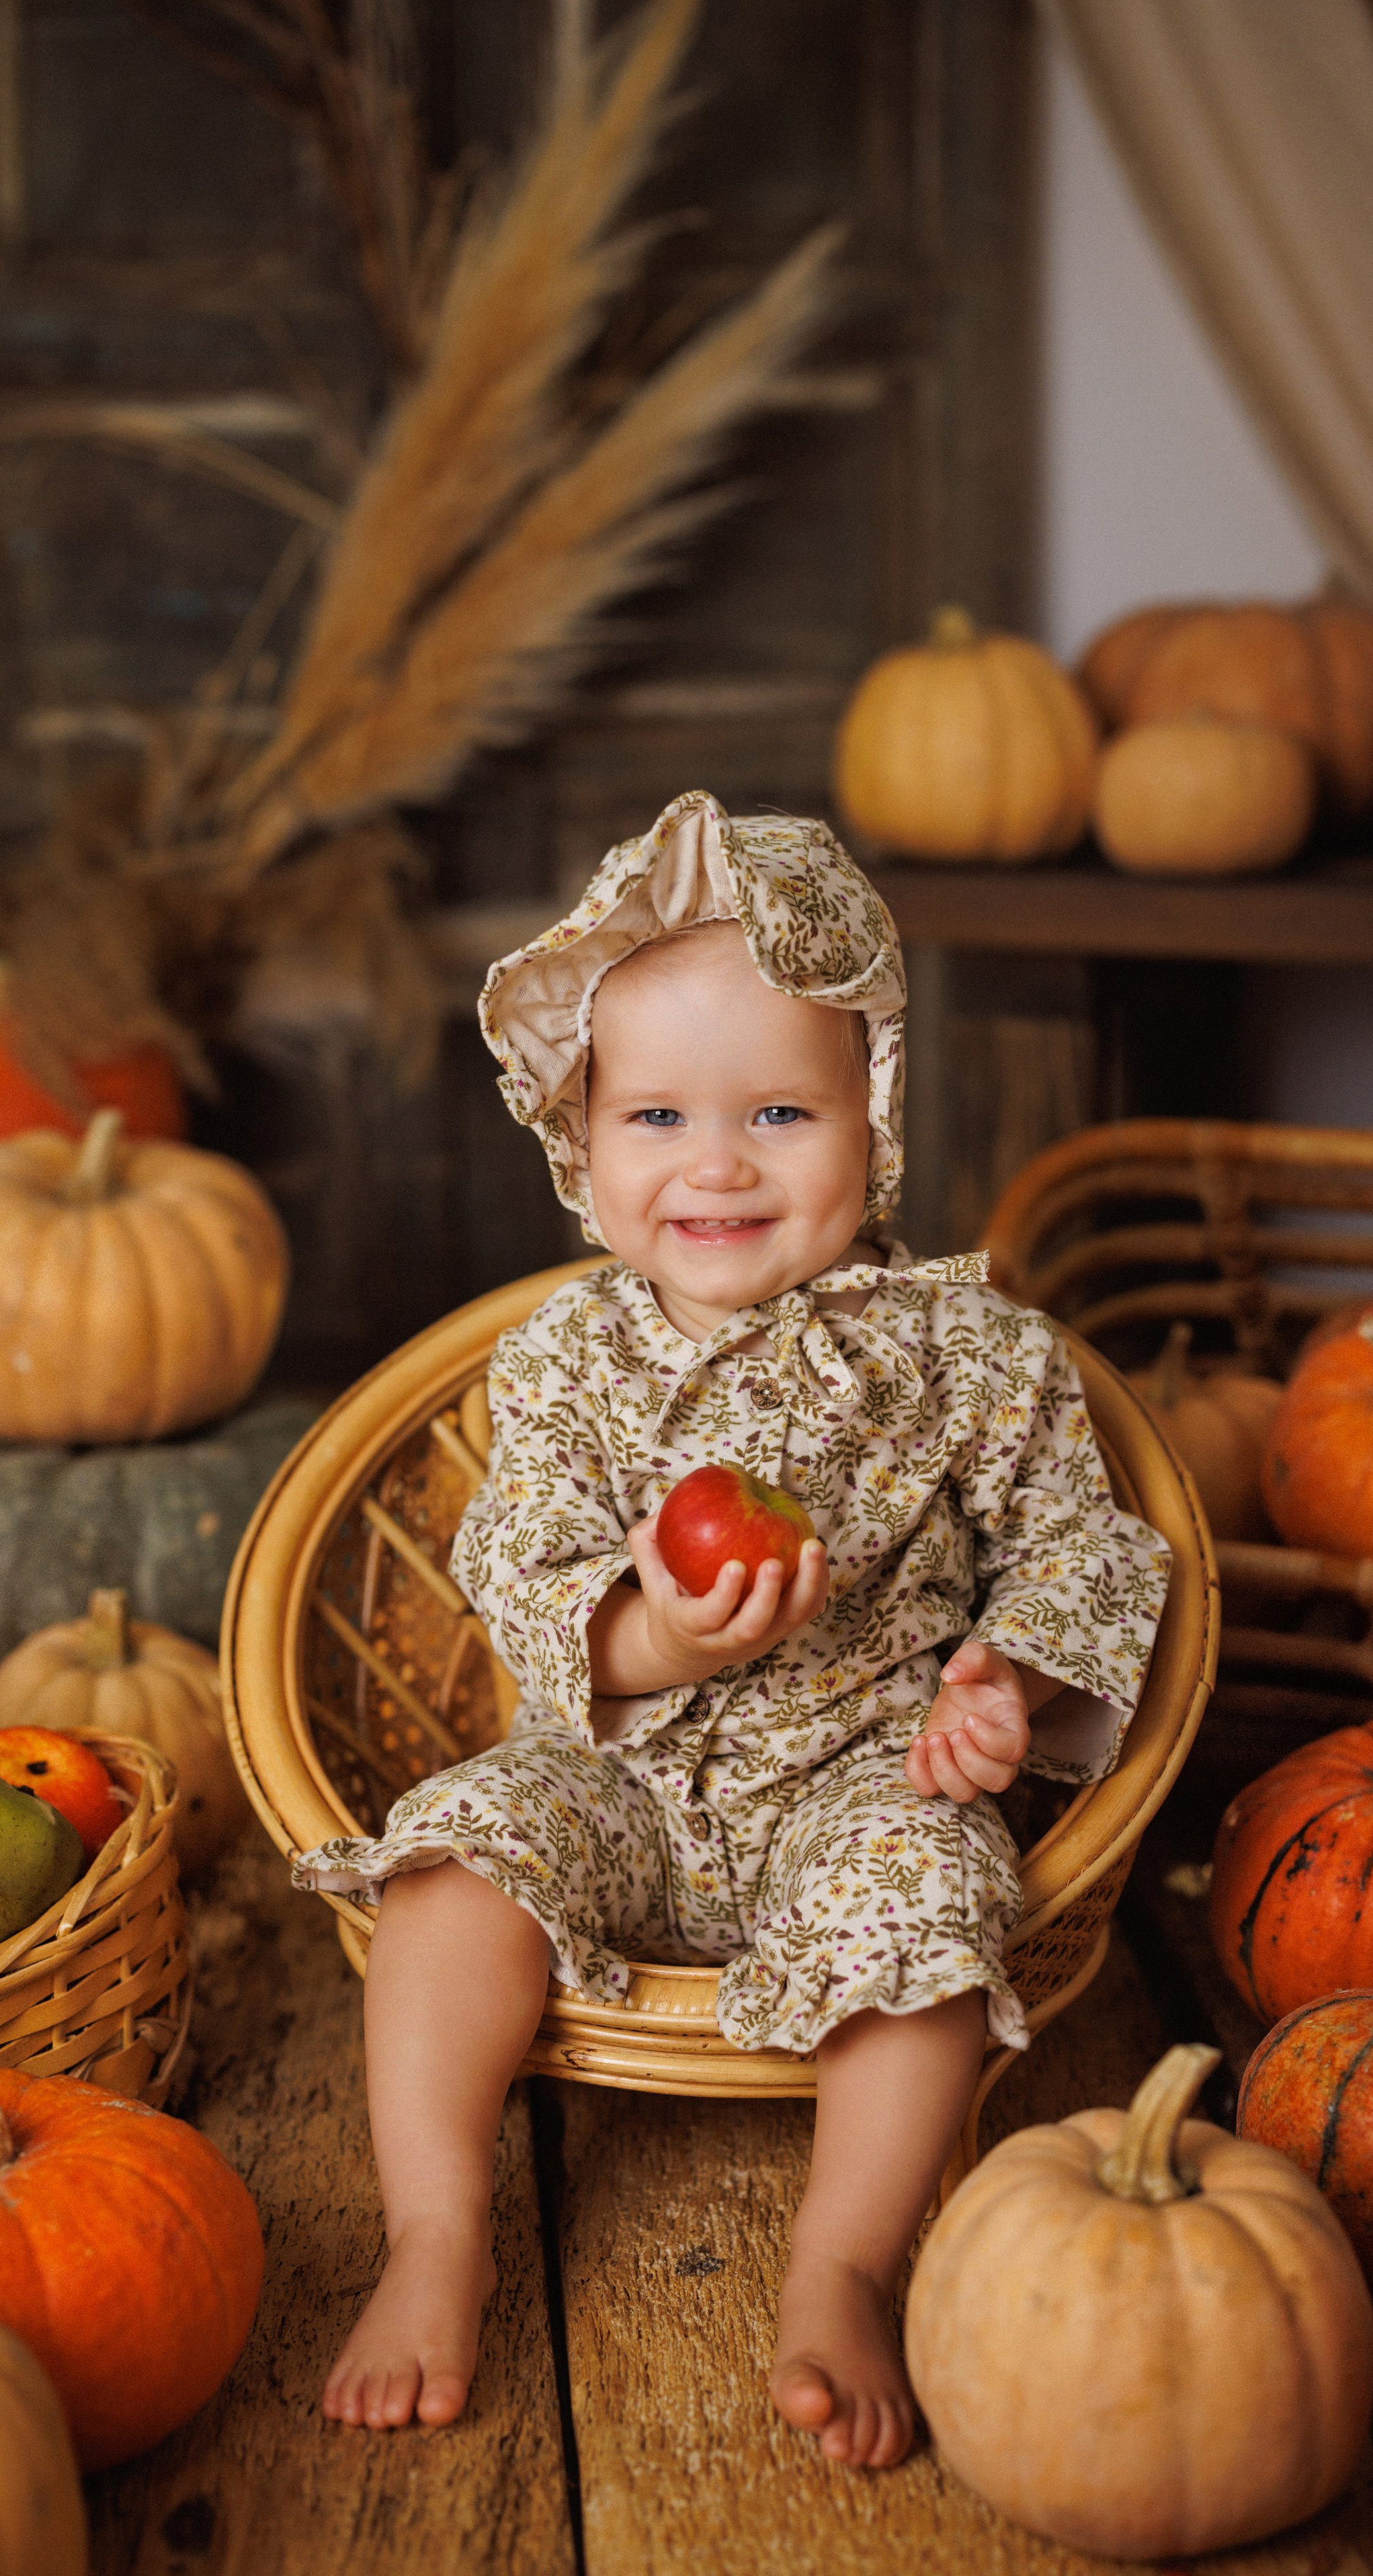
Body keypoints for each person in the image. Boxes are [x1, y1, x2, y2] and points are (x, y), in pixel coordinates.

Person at [298, 788, 1169, 2467]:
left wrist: (1002, 1677)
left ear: (876, 1114)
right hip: (616, 1788)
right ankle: (433, 2229)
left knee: (932, 1889)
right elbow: (521, 1561)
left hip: (858, 1782)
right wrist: (651, 1643)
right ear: (580, 1135)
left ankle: (840, 2262)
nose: (713, 1162)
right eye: (654, 1116)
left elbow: (1077, 1537)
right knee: (453, 1851)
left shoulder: (964, 1351)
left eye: (778, 1107)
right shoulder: (562, 1362)